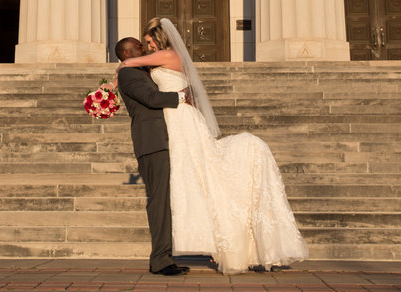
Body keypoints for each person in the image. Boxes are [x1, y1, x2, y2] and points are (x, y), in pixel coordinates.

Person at [116, 17, 309, 274]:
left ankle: (173, 255)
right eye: (142, 45)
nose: (147, 47)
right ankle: (177, 253)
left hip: (179, 121)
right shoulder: (142, 68)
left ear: (160, 39)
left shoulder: (164, 56)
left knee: (202, 180)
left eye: (149, 42)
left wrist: (120, 68)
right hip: (169, 127)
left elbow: (135, 67)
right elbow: (146, 90)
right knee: (188, 188)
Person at [113, 36, 191, 276]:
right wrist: (181, 96)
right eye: (138, 46)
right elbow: (151, 99)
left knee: (166, 199)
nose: (144, 48)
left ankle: (165, 255)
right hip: (152, 142)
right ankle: (160, 260)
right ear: (126, 53)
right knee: (158, 201)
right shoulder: (129, 75)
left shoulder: (143, 71)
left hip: (165, 139)